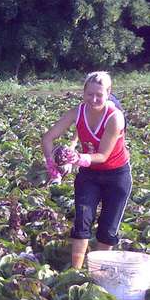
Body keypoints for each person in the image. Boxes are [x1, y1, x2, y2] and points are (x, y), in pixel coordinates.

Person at [41, 71, 131, 270]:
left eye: (99, 94)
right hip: (88, 176)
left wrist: (77, 158)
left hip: (116, 176)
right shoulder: (77, 112)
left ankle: (96, 272)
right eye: (89, 94)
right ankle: (75, 273)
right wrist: (52, 166)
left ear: (109, 93)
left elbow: (103, 156)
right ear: (83, 93)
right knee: (82, 221)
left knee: (107, 228)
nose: (94, 99)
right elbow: (48, 138)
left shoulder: (114, 118)